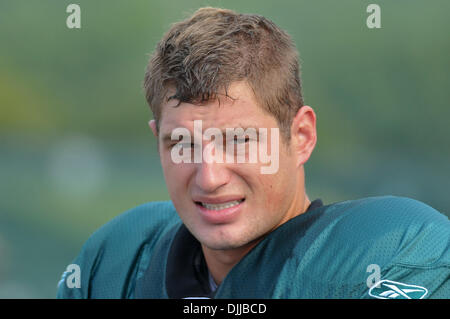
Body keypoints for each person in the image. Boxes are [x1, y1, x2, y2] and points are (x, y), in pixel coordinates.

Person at [57, 7, 449, 299]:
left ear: (301, 136)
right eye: (183, 144)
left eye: (240, 141)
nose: (210, 177)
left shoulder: (391, 255)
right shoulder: (120, 265)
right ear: (157, 139)